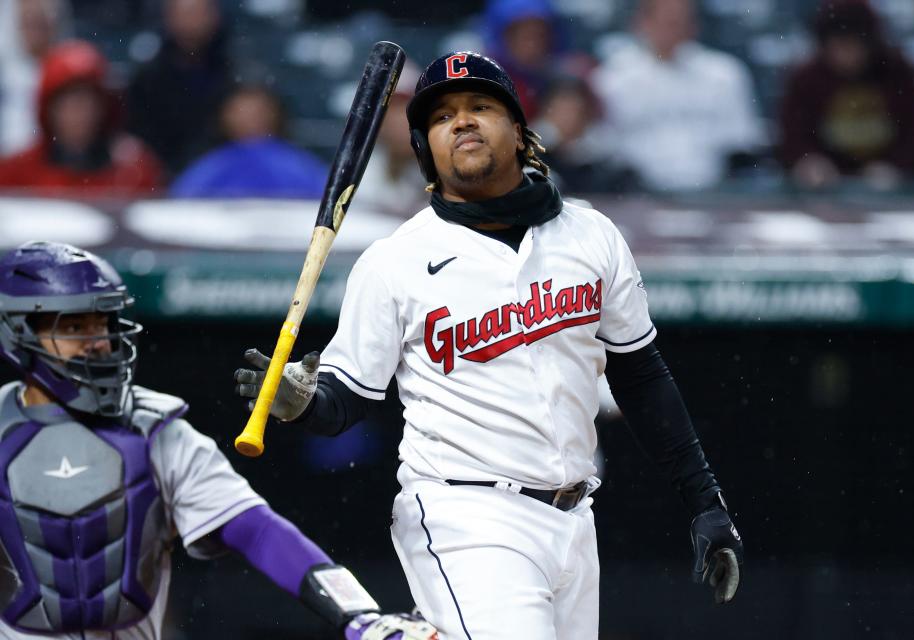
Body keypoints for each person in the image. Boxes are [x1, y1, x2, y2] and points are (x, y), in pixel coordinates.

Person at [234, 52, 743, 639]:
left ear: (522, 132)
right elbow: (346, 395)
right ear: (427, 148)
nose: (463, 121)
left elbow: (641, 375)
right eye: (443, 116)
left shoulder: (592, 234)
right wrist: (303, 403)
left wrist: (705, 501)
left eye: (481, 106)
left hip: (576, 517)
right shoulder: (396, 260)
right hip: (465, 514)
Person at [0, 241, 436, 640]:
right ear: (18, 333)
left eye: (103, 323)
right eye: (74, 326)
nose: (97, 342)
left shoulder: (156, 431)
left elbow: (258, 531)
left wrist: (358, 615)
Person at [590, 0, 764, 191]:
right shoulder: (612, 78)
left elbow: (742, 142)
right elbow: (603, 146)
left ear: (693, 25)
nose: (672, 28)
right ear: (641, 22)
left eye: (679, 21)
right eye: (664, 20)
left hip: (715, 193)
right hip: (637, 194)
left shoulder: (724, 73)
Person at [779, 0, 914, 189]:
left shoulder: (897, 74)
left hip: (896, 189)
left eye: (852, 46)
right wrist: (808, 160)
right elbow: (793, 134)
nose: (845, 56)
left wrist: (896, 165)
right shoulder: (806, 80)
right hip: (826, 189)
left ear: (869, 44)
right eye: (838, 47)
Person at [0, 40, 163, 196]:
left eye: (87, 102)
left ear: (103, 107)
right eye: (67, 104)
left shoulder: (136, 170)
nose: (79, 114)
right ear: (49, 110)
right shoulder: (16, 172)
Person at [125, 0, 233, 174]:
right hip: (161, 180)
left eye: (197, 13)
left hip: (222, 177)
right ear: (168, 18)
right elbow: (140, 139)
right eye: (184, 13)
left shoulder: (234, 74)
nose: (191, 21)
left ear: (215, 16)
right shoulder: (147, 79)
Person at [170, 84, 329, 198]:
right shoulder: (211, 166)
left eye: (258, 111)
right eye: (240, 111)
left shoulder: (298, 165)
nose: (249, 119)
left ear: (275, 113)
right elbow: (181, 203)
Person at [350, 65, 428, 215]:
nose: (400, 120)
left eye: (407, 107)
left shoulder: (447, 174)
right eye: (392, 108)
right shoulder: (359, 176)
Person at [0, 0, 70, 156]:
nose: (35, 32)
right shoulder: (5, 74)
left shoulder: (68, 75)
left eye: (41, 24)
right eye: (29, 23)